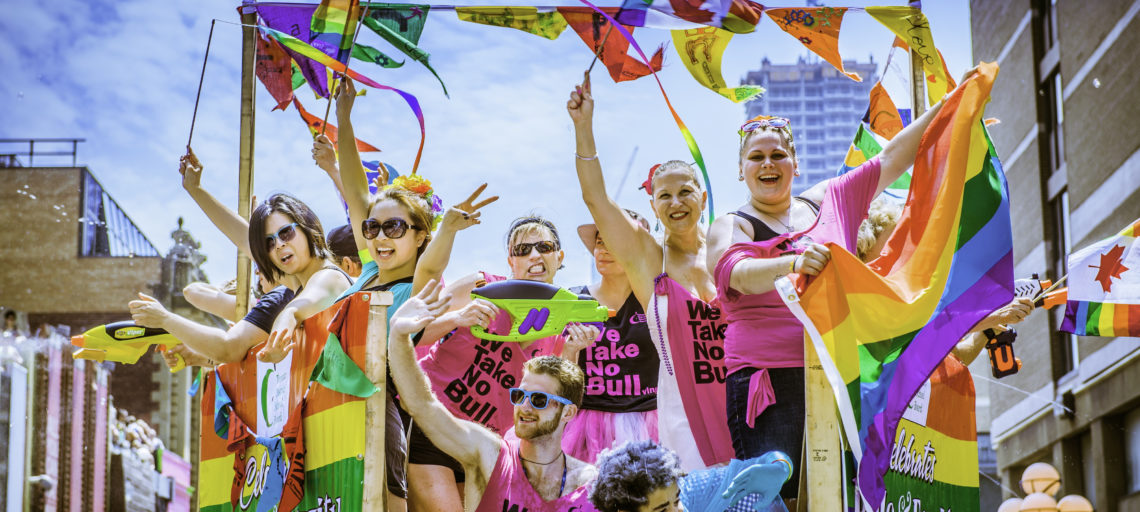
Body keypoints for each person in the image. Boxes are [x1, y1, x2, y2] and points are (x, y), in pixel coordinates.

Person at [705, 68, 979, 504]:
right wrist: (791, 262)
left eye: (777, 155)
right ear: (741, 171)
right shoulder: (730, 224)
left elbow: (893, 158)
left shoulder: (832, 198)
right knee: (781, 500)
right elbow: (733, 273)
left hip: (841, 373)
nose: (768, 164)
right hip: (769, 380)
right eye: (755, 158)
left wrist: (953, 104)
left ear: (795, 162)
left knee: (847, 496)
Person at [330, 77, 499, 511]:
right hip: (333, 399)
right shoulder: (368, 269)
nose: (380, 236)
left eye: (395, 227)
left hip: (381, 405)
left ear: (419, 234)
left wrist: (448, 230)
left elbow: (434, 265)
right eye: (373, 227)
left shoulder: (416, 287)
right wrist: (344, 119)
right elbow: (354, 190)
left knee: (386, 501)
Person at [568, 76, 733, 471]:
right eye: (664, 196)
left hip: (741, 400)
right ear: (654, 205)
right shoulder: (647, 257)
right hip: (683, 413)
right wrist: (583, 127)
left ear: (703, 197)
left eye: (685, 192)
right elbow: (596, 199)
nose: (676, 203)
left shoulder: (727, 247)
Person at [406, 214, 599, 511]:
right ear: (511, 261)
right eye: (523, 250)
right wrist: (457, 318)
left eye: (544, 247)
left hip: (485, 448)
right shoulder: (481, 286)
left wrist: (573, 350)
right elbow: (411, 334)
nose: (534, 255)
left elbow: (557, 405)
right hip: (434, 425)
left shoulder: (564, 326)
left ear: (559, 257)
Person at [129, 150, 351, 366]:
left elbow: (295, 310)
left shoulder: (327, 276)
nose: (279, 244)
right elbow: (242, 237)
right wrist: (195, 189)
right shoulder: (298, 279)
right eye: (269, 242)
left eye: (286, 232)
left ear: (306, 227)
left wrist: (164, 319)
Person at [561, 210, 660, 464]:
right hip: (585, 426)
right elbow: (558, 379)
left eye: (615, 241)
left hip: (651, 422)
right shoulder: (572, 299)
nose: (604, 249)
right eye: (600, 242)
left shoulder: (658, 299)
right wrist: (571, 350)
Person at [589, 440, 791, 512]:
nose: (676, 511)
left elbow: (766, 462)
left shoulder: (694, 489)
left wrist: (781, 467)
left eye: (676, 500)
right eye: (660, 511)